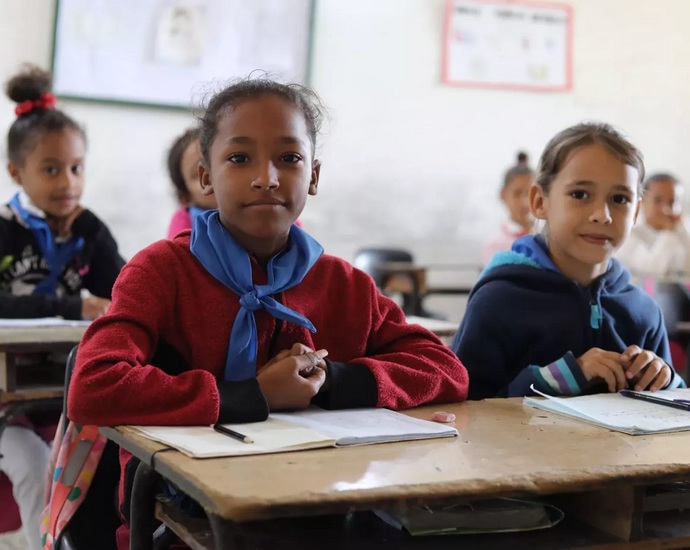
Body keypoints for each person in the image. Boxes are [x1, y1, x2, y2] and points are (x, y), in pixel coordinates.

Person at [67, 78, 469, 548]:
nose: (267, 178)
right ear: (205, 177)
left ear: (313, 176)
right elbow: (93, 385)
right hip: (182, 524)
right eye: (240, 158)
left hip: (322, 509)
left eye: (289, 158)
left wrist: (332, 379)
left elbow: (446, 369)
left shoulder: (343, 284)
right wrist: (254, 395)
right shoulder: (161, 272)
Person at [453, 122, 684, 401]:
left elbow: (670, 410)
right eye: (580, 194)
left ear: (635, 213)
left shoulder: (643, 311)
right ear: (540, 202)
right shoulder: (498, 302)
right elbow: (464, 410)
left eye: (619, 198)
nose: (602, 215)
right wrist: (567, 376)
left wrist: (665, 380)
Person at [0, 64, 124, 550]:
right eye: (51, 170)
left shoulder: (86, 231)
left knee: (100, 474)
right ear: (17, 173)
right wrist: (73, 305)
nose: (68, 182)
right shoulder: (4, 229)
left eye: (77, 168)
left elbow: (126, 292)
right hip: (6, 403)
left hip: (65, 398)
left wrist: (94, 228)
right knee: (35, 469)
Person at [616, 173, 690, 278]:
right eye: (657, 200)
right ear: (642, 202)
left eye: (672, 202)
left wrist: (682, 230)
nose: (665, 209)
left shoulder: (684, 229)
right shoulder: (628, 233)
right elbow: (651, 272)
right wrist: (668, 232)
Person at [481, 154, 535, 266]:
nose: (525, 202)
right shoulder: (495, 244)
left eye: (530, 193)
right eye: (517, 194)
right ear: (503, 194)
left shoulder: (547, 236)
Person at [166, 127, 218, 239]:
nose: (218, 175)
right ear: (186, 197)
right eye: (200, 174)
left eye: (235, 160)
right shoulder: (184, 236)